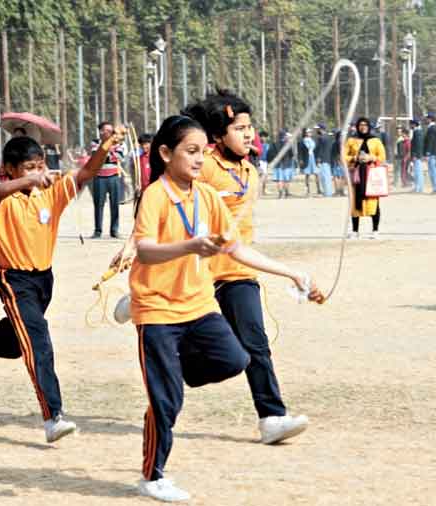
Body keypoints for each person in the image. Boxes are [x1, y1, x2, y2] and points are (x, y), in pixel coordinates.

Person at [128, 115, 321, 502]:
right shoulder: (155, 195)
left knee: (235, 358)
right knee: (167, 403)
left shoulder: (207, 197)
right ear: (166, 154)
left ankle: (167, 378)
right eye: (191, 151)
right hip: (157, 309)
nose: (200, 160)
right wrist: (190, 246)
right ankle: (153, 476)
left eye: (203, 152)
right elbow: (145, 249)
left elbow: (237, 250)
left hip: (198, 305)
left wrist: (292, 273)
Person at [0, 133, 121, 444]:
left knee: (15, 344)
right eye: (29, 167)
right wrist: (28, 182)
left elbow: (86, 173)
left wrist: (104, 149)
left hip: (43, 280)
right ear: (11, 169)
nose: (37, 171)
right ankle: (53, 416)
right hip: (13, 281)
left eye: (41, 165)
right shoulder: (5, 199)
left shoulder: (52, 195)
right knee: (39, 342)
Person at [182, 91, 310, 444]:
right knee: (199, 352)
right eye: (239, 128)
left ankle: (271, 417)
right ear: (219, 134)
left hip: (237, 272)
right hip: (198, 273)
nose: (248, 133)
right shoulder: (204, 165)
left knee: (256, 343)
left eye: (250, 127)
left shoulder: (251, 172)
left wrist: (292, 273)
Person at [344, 117, 386, 239]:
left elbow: (382, 156)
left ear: (369, 126)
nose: (363, 127)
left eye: (365, 125)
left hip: (371, 175)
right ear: (357, 126)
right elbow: (344, 156)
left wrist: (371, 158)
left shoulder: (375, 141)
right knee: (354, 203)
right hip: (356, 175)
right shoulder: (351, 140)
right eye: (361, 124)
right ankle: (355, 231)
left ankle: (375, 230)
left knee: (374, 203)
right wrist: (355, 158)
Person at [89, 121, 127, 239]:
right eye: (108, 130)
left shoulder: (119, 143)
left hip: (114, 177)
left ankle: (114, 230)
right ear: (101, 131)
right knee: (98, 204)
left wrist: (109, 150)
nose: (111, 133)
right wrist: (109, 150)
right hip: (99, 177)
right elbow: (98, 156)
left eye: (112, 131)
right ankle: (98, 230)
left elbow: (120, 157)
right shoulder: (95, 142)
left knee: (115, 204)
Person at [424, 112, 436, 193]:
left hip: (432, 153)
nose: (426, 120)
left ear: (430, 119)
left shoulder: (431, 128)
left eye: (427, 118)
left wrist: (428, 152)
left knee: (433, 171)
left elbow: (431, 141)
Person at [315, 124, 335, 197]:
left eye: (317, 129)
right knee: (327, 176)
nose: (316, 130)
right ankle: (328, 192)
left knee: (324, 177)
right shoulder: (328, 137)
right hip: (328, 159)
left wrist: (318, 158)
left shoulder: (321, 138)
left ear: (321, 129)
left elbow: (320, 150)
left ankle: (327, 192)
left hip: (323, 159)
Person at [301, 129, 319, 196]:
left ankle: (318, 189)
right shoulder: (303, 141)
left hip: (313, 158)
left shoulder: (313, 140)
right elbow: (302, 150)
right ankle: (308, 190)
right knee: (307, 175)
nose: (309, 133)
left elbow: (315, 149)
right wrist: (301, 160)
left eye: (310, 132)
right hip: (307, 158)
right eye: (308, 132)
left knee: (316, 174)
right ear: (305, 133)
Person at [409, 118, 426, 193]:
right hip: (418, 155)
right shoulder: (417, 131)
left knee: (418, 172)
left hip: (417, 156)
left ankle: (418, 188)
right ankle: (419, 187)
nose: (410, 125)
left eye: (411, 124)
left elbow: (418, 145)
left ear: (414, 124)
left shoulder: (417, 132)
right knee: (418, 172)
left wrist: (416, 155)